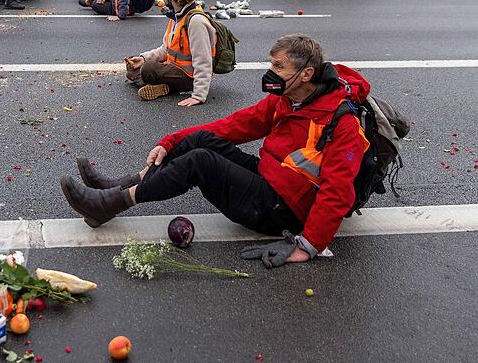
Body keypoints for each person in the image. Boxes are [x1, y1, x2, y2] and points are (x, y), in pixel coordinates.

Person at [61, 34, 371, 268]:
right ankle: (121, 184)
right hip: (269, 179)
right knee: (200, 140)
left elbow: (338, 191)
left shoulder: (342, 122)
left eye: (279, 67)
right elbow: (234, 125)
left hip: (282, 209)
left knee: (201, 162)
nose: (271, 72)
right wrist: (171, 140)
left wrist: (307, 246)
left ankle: (110, 204)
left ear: (306, 74)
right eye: (271, 64)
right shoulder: (288, 98)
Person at [124, 0, 214, 106]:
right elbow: (165, 49)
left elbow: (203, 61)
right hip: (173, 69)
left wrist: (199, 95)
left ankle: (165, 86)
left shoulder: (196, 22)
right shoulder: (176, 17)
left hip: (189, 76)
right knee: (133, 68)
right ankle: (163, 87)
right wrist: (143, 58)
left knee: (147, 69)